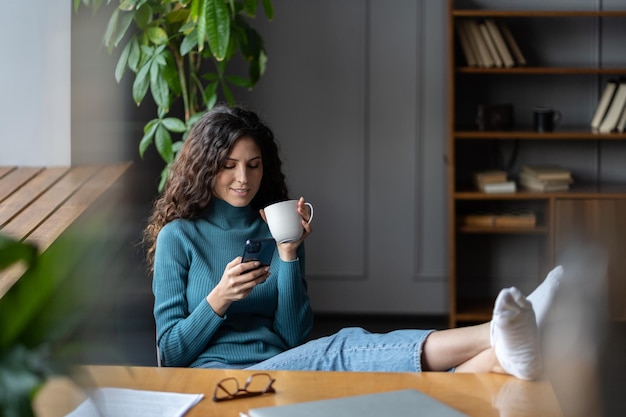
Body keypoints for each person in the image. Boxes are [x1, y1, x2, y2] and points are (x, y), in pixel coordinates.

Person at [143, 104, 561, 380]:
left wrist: (288, 255)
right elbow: (171, 354)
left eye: (253, 166)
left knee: (377, 389)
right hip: (224, 380)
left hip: (283, 368)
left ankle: (502, 357)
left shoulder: (275, 228)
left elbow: (292, 338)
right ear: (204, 168)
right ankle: (495, 333)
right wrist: (219, 298)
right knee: (342, 348)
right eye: (229, 166)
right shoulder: (178, 237)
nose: (243, 179)